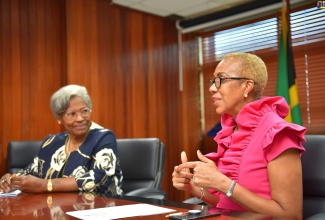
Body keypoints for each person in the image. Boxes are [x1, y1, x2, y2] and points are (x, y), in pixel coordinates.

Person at [172, 52, 306, 219]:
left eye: (221, 79)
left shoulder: (278, 132)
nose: (212, 87)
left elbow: (291, 215)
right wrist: (192, 187)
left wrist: (222, 182)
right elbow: (231, 205)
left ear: (247, 86)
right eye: (213, 81)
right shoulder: (231, 131)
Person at [0, 84, 123, 195]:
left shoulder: (103, 137)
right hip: (57, 209)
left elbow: (97, 180)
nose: (80, 118)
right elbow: (32, 170)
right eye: (71, 114)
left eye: (84, 111)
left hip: (99, 210)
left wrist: (45, 185)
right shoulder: (52, 142)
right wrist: (12, 180)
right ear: (59, 118)